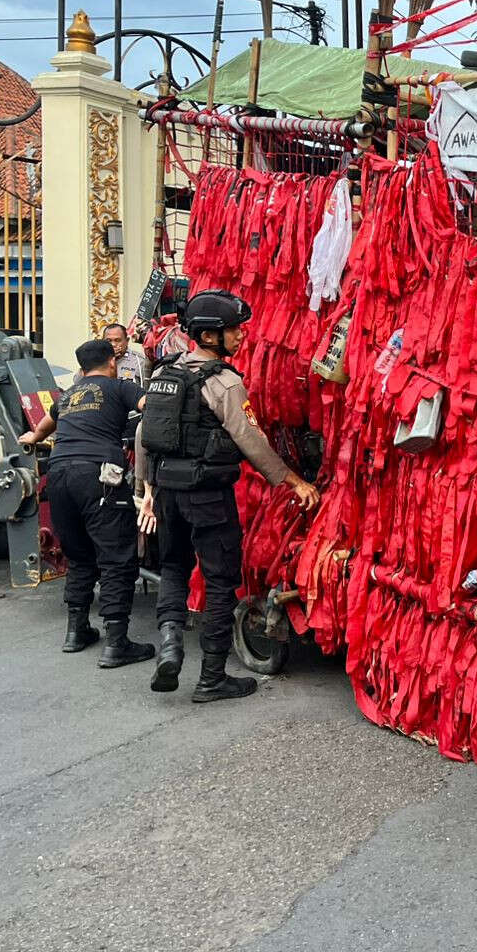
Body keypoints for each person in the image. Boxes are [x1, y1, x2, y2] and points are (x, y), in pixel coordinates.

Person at [135, 290, 319, 702]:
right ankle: (211, 678)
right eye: (233, 329)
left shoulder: (164, 376)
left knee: (174, 570)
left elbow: (144, 435)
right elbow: (249, 439)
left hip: (167, 494)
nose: (240, 335)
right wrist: (293, 481)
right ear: (211, 336)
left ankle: (170, 647)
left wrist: (146, 489)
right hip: (207, 497)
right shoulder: (224, 382)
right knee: (220, 581)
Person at [20, 338, 153, 668]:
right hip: (98, 475)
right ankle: (117, 643)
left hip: (60, 476)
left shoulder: (69, 394)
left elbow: (49, 420)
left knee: (79, 555)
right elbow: (149, 404)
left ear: (81, 368)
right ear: (111, 362)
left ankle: (76, 631)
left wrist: (34, 437)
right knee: (116, 556)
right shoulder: (118, 386)